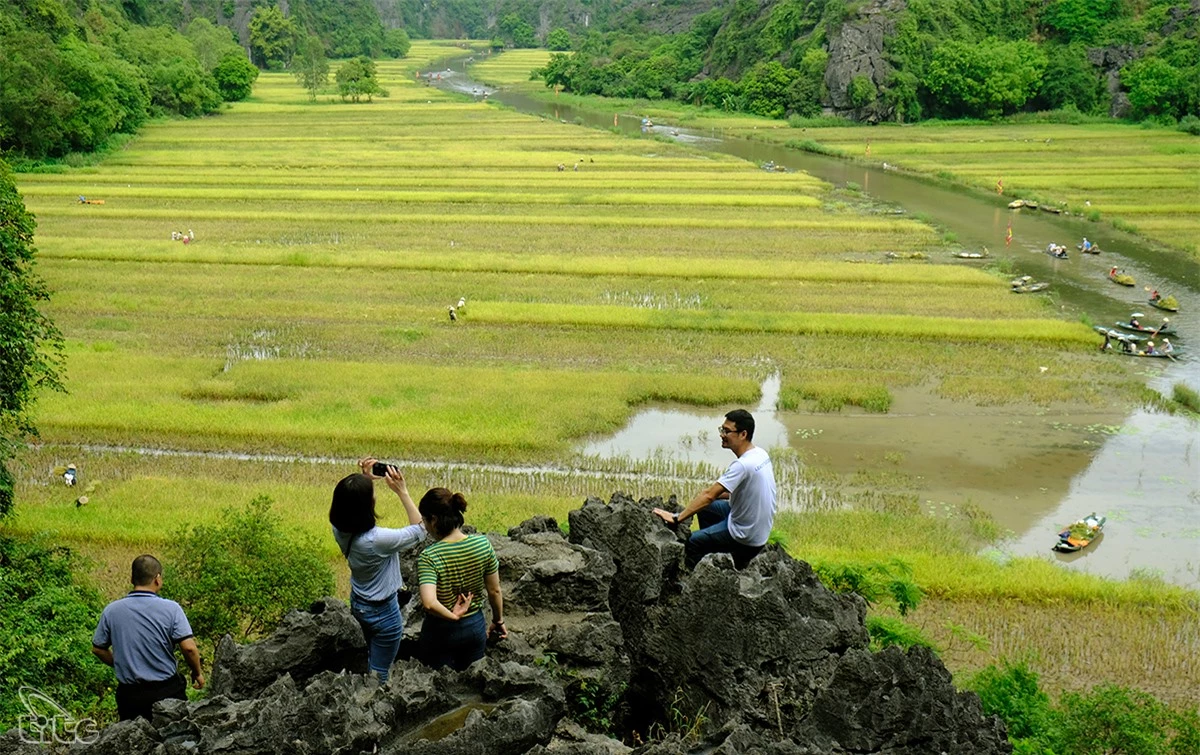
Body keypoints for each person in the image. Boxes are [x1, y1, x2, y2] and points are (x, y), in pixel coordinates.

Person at [329, 460, 426, 682]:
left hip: (358, 602)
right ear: (367, 506)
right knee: (380, 672)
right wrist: (402, 492)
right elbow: (420, 529)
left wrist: (364, 480)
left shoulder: (339, 527)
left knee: (369, 656)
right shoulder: (377, 540)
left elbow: (349, 503)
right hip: (384, 613)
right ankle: (371, 706)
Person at [653, 409, 777, 570]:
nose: (722, 434)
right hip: (757, 528)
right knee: (704, 509)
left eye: (727, 431)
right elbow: (738, 491)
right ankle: (713, 552)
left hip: (746, 535)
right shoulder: (760, 454)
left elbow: (709, 496)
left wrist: (677, 518)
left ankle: (699, 576)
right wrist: (712, 495)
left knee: (694, 542)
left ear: (743, 434)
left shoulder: (743, 465)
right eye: (722, 429)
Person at [92, 555, 204, 721]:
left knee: (134, 742)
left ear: (131, 579)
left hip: (129, 695)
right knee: (176, 739)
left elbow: (98, 648)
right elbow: (189, 648)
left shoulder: (112, 610)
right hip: (166, 691)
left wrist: (119, 662)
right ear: (157, 579)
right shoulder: (172, 609)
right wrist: (197, 673)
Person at [416, 488, 505, 671]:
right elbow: (494, 591)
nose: (424, 526)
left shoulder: (430, 556)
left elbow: (429, 603)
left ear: (433, 520)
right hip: (475, 627)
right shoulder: (482, 544)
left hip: (440, 631)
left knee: (439, 687)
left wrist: (453, 615)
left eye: (424, 520)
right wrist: (498, 621)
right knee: (472, 684)